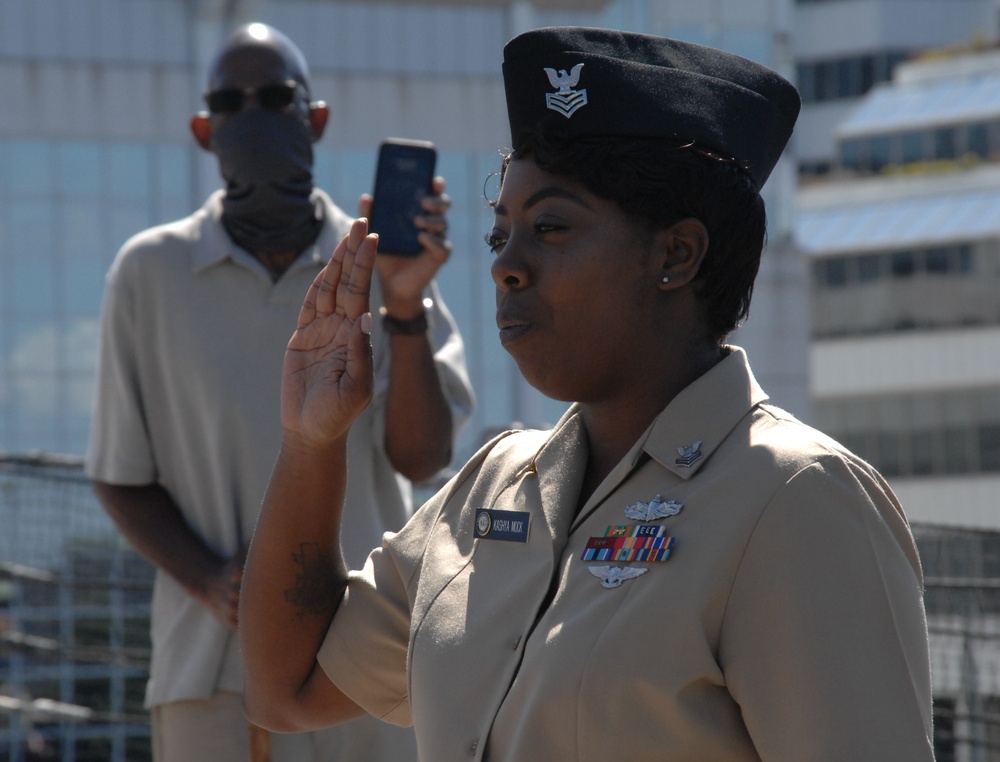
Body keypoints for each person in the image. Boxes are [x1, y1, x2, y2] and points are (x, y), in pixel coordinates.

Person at [239, 27, 934, 761]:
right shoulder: (493, 488)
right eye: (498, 235)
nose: (507, 264)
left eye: (551, 227)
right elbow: (286, 687)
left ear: (675, 253)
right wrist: (311, 444)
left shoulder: (795, 497)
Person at [85, 21, 473, 762]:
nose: (254, 115)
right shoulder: (149, 272)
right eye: (232, 102)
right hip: (213, 670)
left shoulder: (375, 261)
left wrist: (403, 305)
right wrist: (208, 580)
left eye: (276, 97)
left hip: (367, 654)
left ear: (316, 118)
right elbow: (118, 475)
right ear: (204, 130)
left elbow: (422, 455)